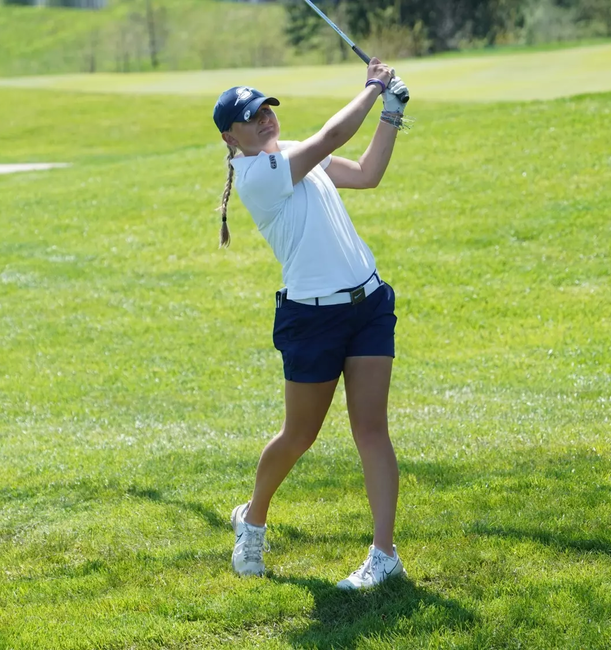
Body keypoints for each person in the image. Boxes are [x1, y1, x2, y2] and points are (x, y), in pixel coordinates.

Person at [212, 58, 410, 590]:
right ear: (231, 138)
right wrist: (373, 87)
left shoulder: (296, 154)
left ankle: (385, 555)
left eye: (266, 110)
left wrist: (390, 112)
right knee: (299, 435)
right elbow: (333, 135)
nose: (264, 120)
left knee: (372, 430)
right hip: (312, 320)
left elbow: (366, 174)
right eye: (250, 118)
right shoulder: (258, 176)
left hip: (369, 304)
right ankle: (253, 519)